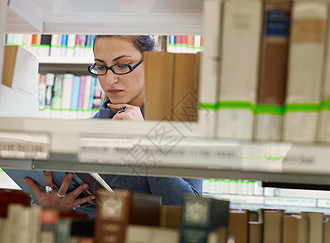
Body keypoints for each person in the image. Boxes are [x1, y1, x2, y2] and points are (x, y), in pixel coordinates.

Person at [23, 35, 203, 215]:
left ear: (151, 64)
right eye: (101, 67)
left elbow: (189, 211)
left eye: (122, 65)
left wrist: (146, 141)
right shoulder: (78, 132)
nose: (109, 80)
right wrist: (48, 208)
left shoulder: (179, 128)